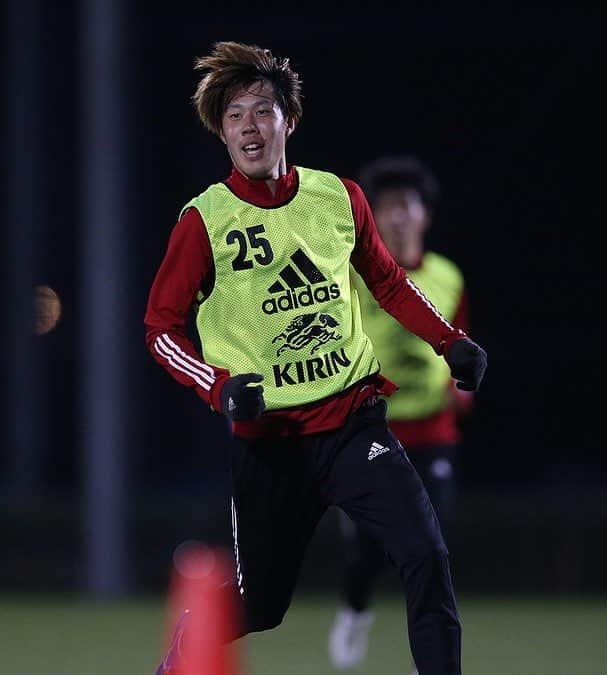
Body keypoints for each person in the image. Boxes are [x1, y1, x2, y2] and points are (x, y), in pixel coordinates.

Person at [144, 41, 487, 675]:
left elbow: (386, 282)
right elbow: (161, 329)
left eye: (262, 109)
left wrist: (449, 342)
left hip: (355, 423)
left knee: (425, 555)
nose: (250, 123)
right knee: (262, 605)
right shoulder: (205, 222)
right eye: (235, 114)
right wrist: (218, 388)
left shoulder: (338, 197)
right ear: (222, 133)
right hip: (272, 441)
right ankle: (186, 646)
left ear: (288, 121)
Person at [327, 156, 475, 672]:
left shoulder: (447, 276)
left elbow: (459, 344)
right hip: (371, 429)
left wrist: (463, 386)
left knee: (429, 548)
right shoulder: (351, 274)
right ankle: (355, 609)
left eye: (406, 206)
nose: (396, 216)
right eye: (385, 207)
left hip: (433, 432)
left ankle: (430, 658)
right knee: (370, 550)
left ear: (424, 216)